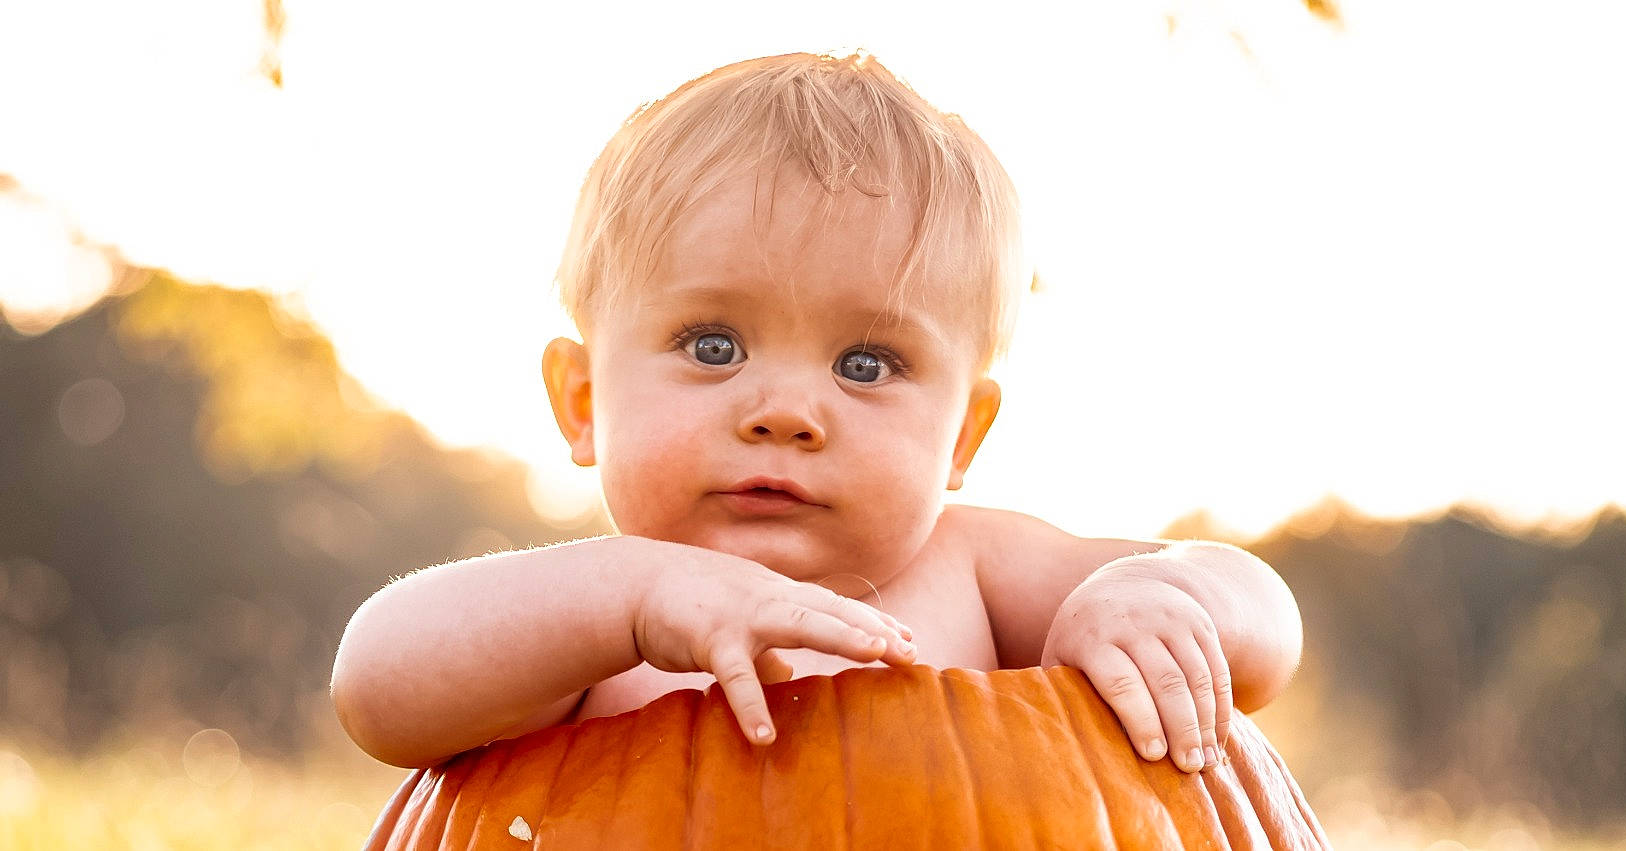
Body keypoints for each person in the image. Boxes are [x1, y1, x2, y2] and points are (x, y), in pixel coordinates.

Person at [331, 50, 1302, 778]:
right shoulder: (584, 627)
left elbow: (1261, 615)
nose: (787, 411)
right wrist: (628, 601)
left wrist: (1155, 598)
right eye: (712, 345)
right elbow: (376, 687)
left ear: (960, 434)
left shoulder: (972, 571)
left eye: (865, 362)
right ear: (582, 401)